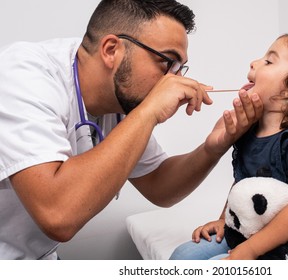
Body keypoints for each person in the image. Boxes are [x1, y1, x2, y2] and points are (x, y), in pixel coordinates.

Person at [0, 0, 263, 260]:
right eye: (166, 61)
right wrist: (149, 111)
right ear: (111, 50)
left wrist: (213, 147)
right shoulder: (22, 75)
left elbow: (159, 185)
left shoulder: (120, 99)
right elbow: (57, 215)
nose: (175, 79)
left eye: (179, 67)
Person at [170, 33, 288, 260]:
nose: (253, 63)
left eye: (268, 61)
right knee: (183, 255)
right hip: (256, 231)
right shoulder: (249, 132)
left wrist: (251, 250)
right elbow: (244, 186)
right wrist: (224, 220)